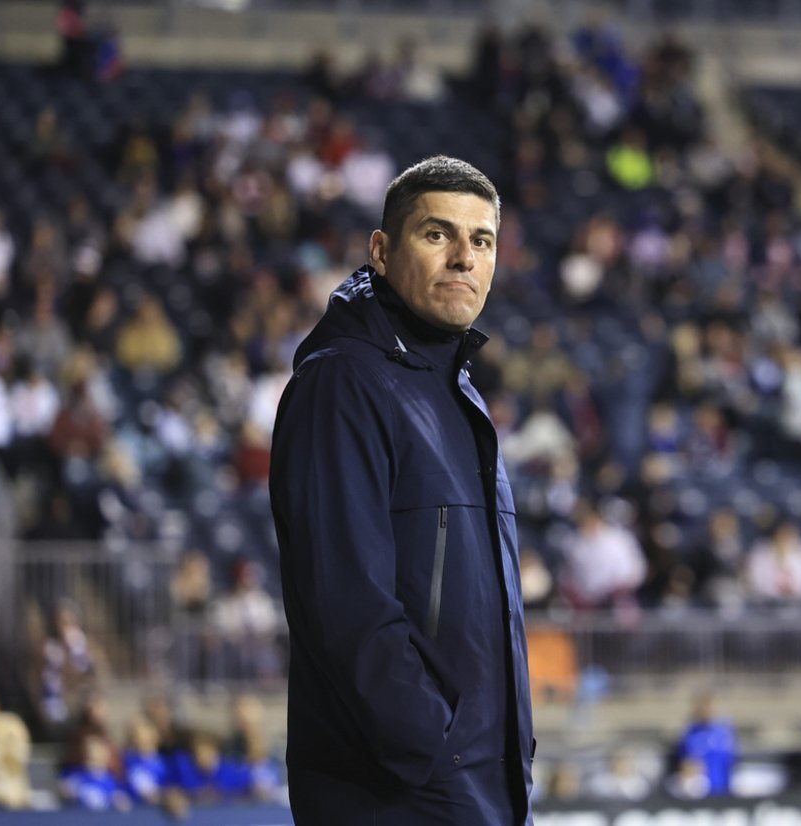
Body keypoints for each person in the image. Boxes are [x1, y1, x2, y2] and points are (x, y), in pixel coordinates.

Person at [270, 156, 534, 825]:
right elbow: (345, 602)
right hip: (403, 793)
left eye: (482, 241)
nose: (464, 257)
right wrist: (430, 744)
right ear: (382, 252)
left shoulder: (456, 390)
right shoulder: (344, 383)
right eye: (437, 234)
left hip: (481, 785)